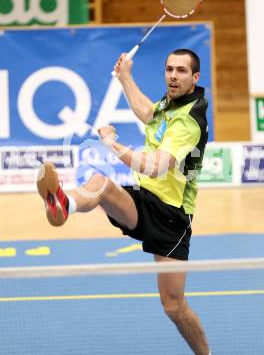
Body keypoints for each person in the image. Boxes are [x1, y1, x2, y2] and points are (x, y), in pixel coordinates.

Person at [37, 49, 211, 355]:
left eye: (181, 71)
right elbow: (148, 113)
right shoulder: (170, 104)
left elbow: (155, 166)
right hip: (144, 199)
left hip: (172, 215)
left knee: (173, 307)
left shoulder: (189, 121)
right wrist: (125, 77)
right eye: (169, 68)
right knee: (101, 184)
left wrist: (112, 145)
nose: (173, 75)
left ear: (195, 77)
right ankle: (64, 205)